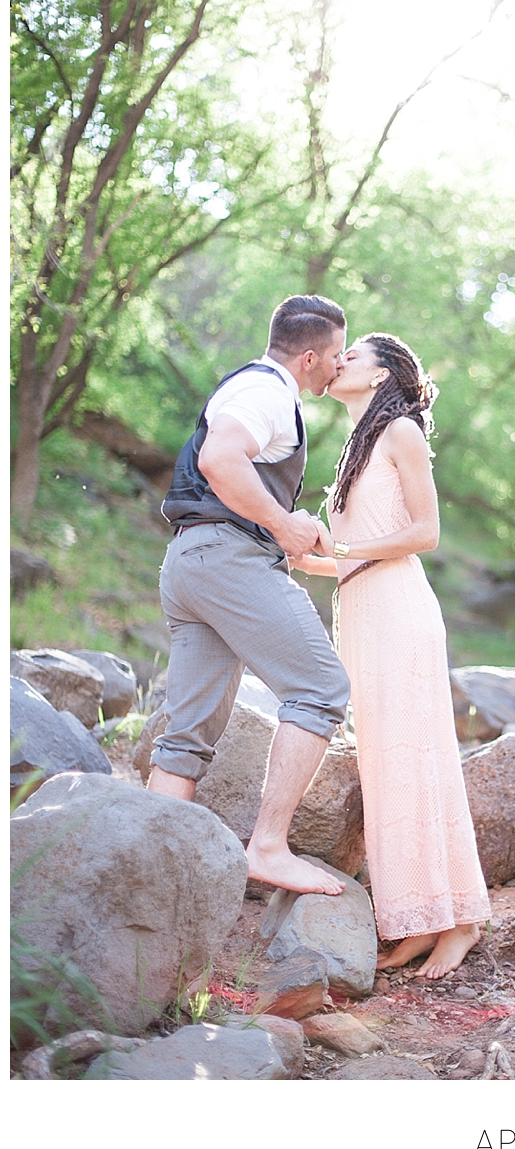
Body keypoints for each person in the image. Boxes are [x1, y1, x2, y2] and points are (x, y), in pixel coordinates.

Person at [292, 333, 490, 978]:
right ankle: (418, 920)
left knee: (419, 761)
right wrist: (307, 558)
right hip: (362, 610)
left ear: (380, 377)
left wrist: (341, 553)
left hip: (400, 613)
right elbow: (357, 553)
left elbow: (425, 533)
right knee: (385, 770)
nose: (336, 359)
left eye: (351, 356)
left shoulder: (400, 431)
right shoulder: (357, 443)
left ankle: (461, 919)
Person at [147, 294, 351, 897]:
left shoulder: (252, 388)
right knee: (320, 688)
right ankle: (267, 846)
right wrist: (282, 524)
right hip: (225, 561)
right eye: (336, 355)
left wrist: (279, 528)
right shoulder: (267, 392)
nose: (339, 367)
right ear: (310, 356)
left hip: (189, 560)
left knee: (186, 735)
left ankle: (154, 863)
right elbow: (218, 458)